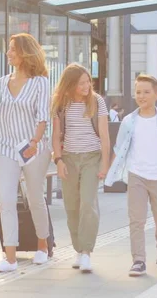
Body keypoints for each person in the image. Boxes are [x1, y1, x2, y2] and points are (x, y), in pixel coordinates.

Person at [105, 74, 157, 277]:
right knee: (136, 220)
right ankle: (138, 260)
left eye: (146, 92)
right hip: (137, 176)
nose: (141, 96)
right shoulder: (129, 121)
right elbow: (120, 146)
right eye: (138, 92)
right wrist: (110, 170)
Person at [0, 33, 51, 273]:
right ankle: (10, 258)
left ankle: (43, 246)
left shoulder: (40, 82)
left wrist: (35, 141)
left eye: (13, 49)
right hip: (5, 147)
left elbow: (43, 116)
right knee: (6, 200)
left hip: (33, 147)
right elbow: (0, 113)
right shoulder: (2, 80)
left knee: (34, 197)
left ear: (25, 53)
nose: (8, 53)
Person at [51, 63, 110, 273]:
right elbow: (57, 136)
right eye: (82, 83)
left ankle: (86, 252)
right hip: (68, 158)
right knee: (71, 206)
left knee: (87, 203)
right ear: (70, 84)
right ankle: (78, 249)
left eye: (88, 81)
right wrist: (58, 160)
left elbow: (104, 135)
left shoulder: (97, 102)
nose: (87, 86)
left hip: (91, 157)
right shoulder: (61, 103)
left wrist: (105, 163)